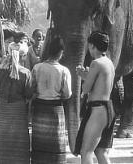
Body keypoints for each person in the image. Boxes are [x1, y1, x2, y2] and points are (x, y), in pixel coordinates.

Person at [75, 31, 115, 164]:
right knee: (100, 151)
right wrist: (86, 75)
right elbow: (99, 85)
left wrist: (84, 75)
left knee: (86, 151)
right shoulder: (109, 63)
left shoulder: (96, 63)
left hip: (98, 110)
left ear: (92, 46)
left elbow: (86, 88)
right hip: (108, 109)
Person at [0, 39, 32, 164]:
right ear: (23, 56)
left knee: (1, 139)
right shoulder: (25, 73)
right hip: (18, 111)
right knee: (18, 141)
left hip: (1, 108)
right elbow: (29, 94)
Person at [31, 37, 72, 164]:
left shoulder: (37, 68)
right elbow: (67, 94)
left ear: (48, 51)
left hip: (39, 109)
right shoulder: (64, 71)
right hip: (56, 110)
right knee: (56, 143)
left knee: (40, 142)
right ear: (61, 53)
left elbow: (31, 89)